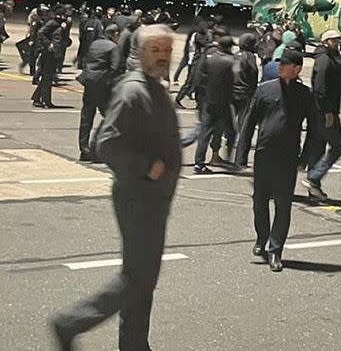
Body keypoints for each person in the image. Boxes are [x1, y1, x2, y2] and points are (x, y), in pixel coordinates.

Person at [50, 24, 181, 351]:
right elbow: (105, 143)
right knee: (138, 278)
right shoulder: (133, 90)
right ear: (139, 53)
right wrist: (146, 168)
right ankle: (70, 323)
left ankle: (135, 344)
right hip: (139, 198)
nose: (163, 55)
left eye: (166, 49)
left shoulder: (154, 87)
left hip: (153, 198)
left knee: (142, 278)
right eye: (156, 50)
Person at [236, 49, 318, 272]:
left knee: (283, 205)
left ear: (297, 69)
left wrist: (306, 157)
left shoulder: (305, 94)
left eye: (285, 64)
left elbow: (315, 128)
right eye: (279, 63)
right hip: (264, 154)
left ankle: (275, 250)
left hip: (288, 158)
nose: (280, 67)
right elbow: (248, 122)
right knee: (259, 202)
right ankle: (261, 238)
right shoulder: (265, 90)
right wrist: (241, 154)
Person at [303, 30, 341, 199]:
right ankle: (314, 177)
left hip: (322, 110)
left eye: (338, 40)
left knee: (317, 148)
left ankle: (313, 189)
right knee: (338, 145)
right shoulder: (324, 60)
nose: (337, 43)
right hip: (324, 111)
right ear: (326, 42)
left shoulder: (329, 57)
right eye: (334, 41)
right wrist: (327, 112)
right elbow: (320, 88)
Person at [193, 36, 236, 173]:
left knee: (205, 132)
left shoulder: (210, 58)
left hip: (209, 99)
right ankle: (229, 159)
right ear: (229, 47)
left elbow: (201, 76)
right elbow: (237, 78)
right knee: (231, 131)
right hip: (224, 101)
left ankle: (199, 163)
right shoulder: (231, 61)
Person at [77, 24, 120, 161]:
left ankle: (84, 149)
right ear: (115, 34)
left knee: (86, 118)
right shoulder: (113, 47)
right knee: (110, 117)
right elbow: (115, 68)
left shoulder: (95, 43)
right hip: (102, 86)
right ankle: (98, 149)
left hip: (89, 82)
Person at [31, 12, 64, 108]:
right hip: (48, 54)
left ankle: (37, 97)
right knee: (47, 78)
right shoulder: (53, 23)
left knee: (47, 78)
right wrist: (48, 44)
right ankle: (46, 100)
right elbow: (40, 32)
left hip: (54, 54)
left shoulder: (59, 24)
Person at [233, 32, 259, 133]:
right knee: (243, 117)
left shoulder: (234, 55)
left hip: (232, 90)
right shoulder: (250, 56)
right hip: (244, 91)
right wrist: (254, 90)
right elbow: (254, 72)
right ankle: (240, 139)